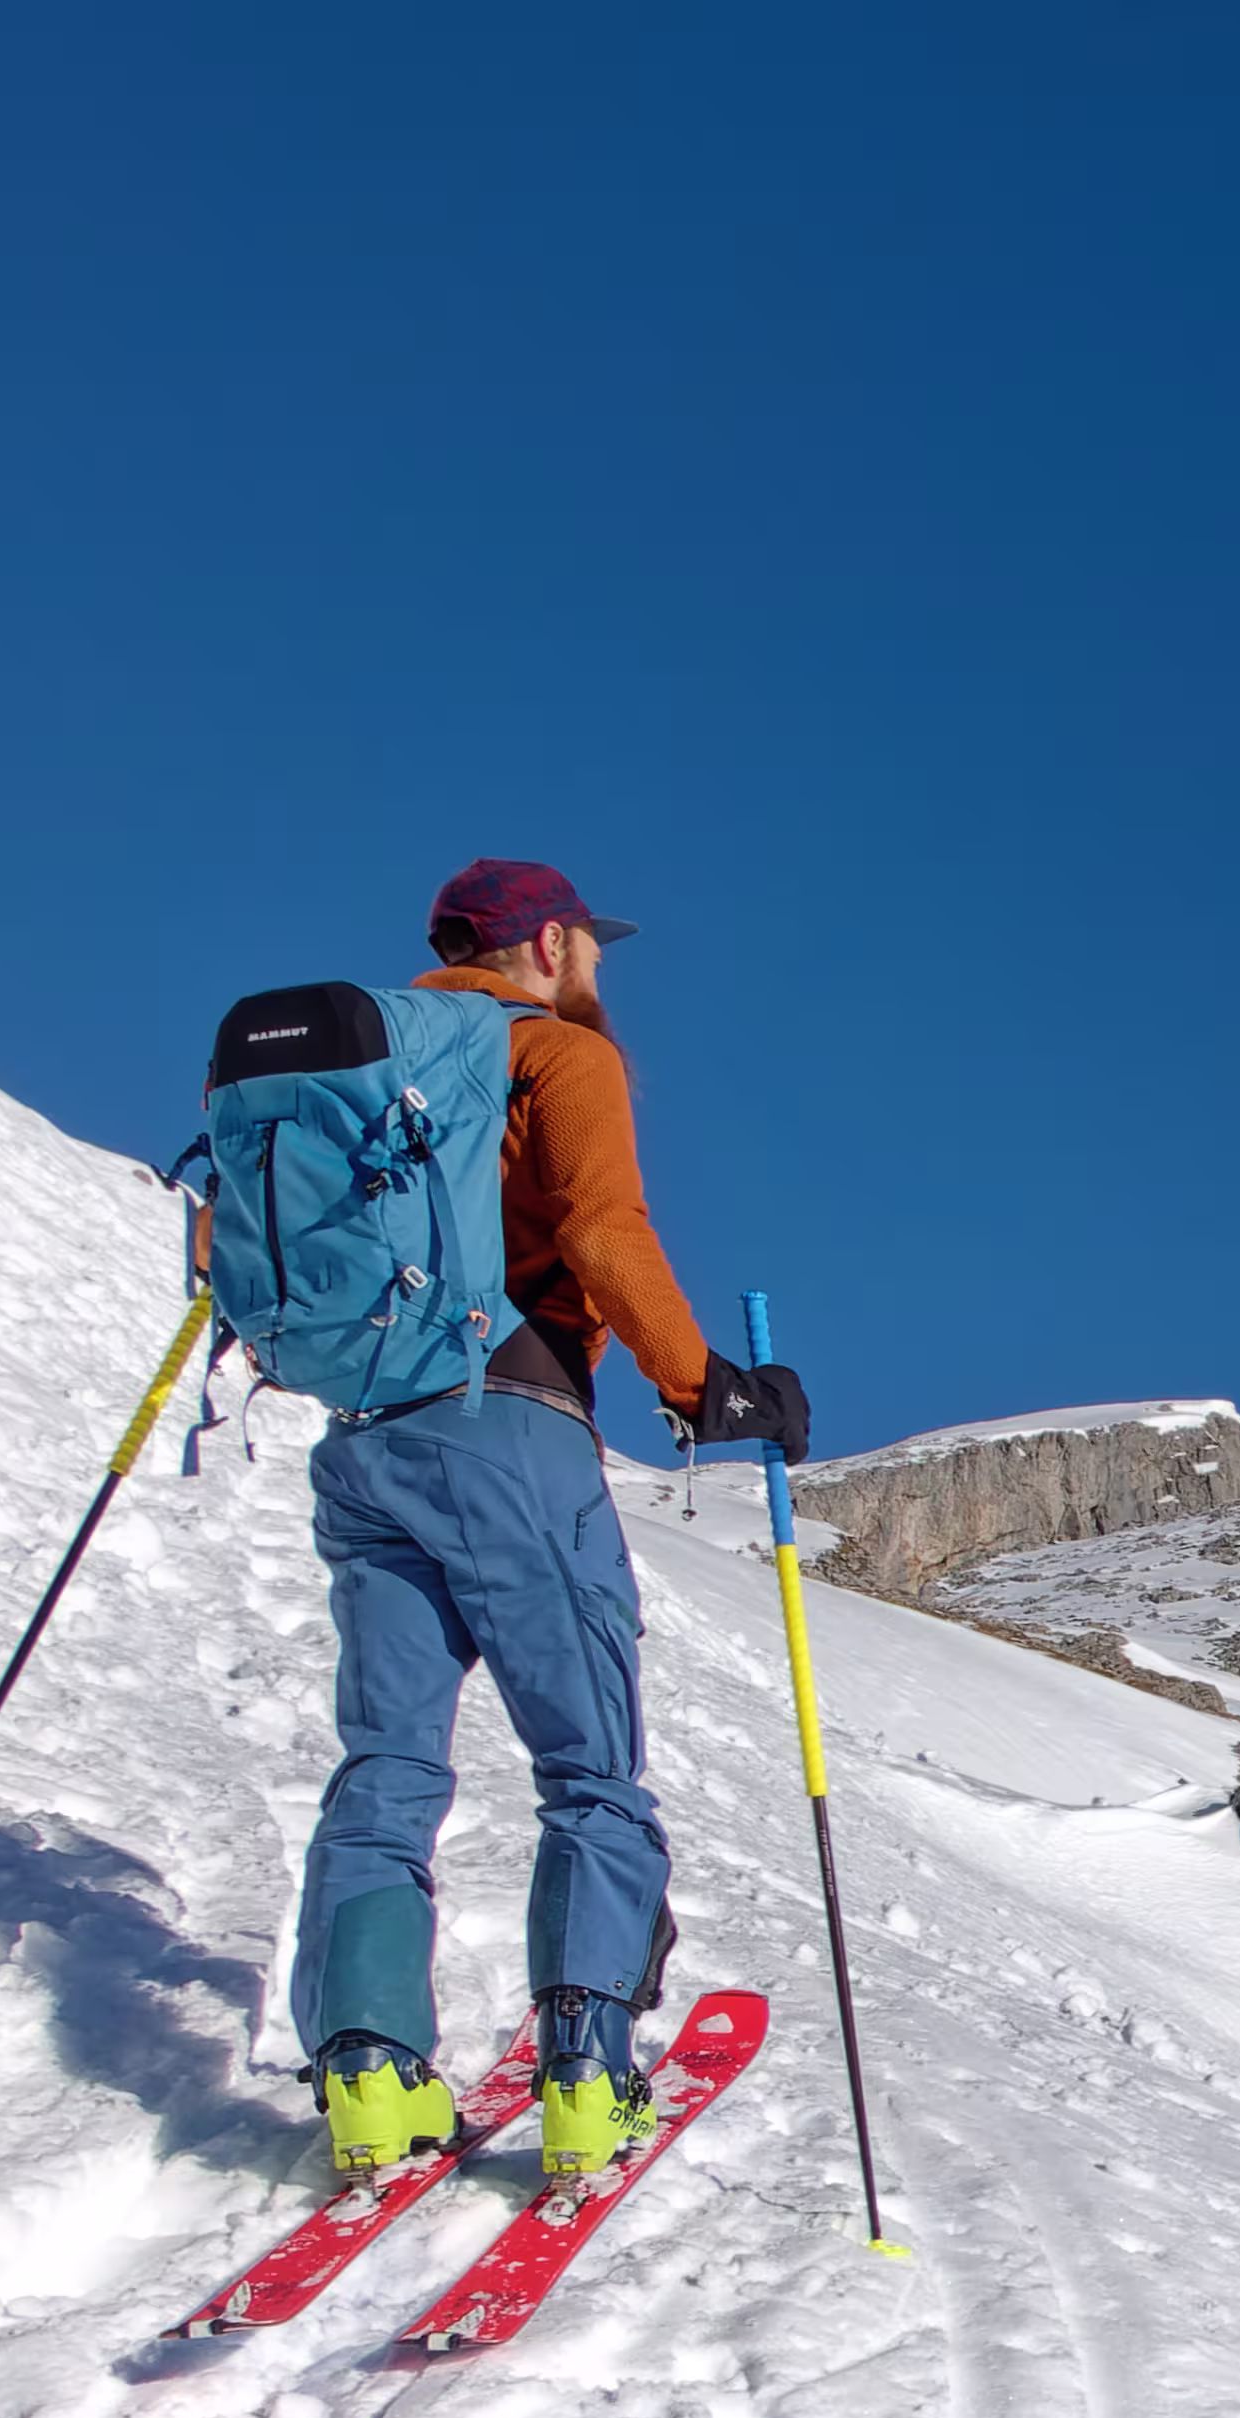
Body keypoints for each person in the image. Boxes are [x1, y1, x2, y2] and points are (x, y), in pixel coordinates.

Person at [287, 858, 811, 2184]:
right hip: (509, 1431)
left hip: (363, 1438)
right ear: (554, 942)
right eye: (592, 948)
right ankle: (587, 2079)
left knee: (388, 1761)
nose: (598, 970)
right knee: (589, 1766)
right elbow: (598, 1225)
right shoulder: (555, 1056)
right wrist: (705, 1387)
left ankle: (365, 2074)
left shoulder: (351, 1071)